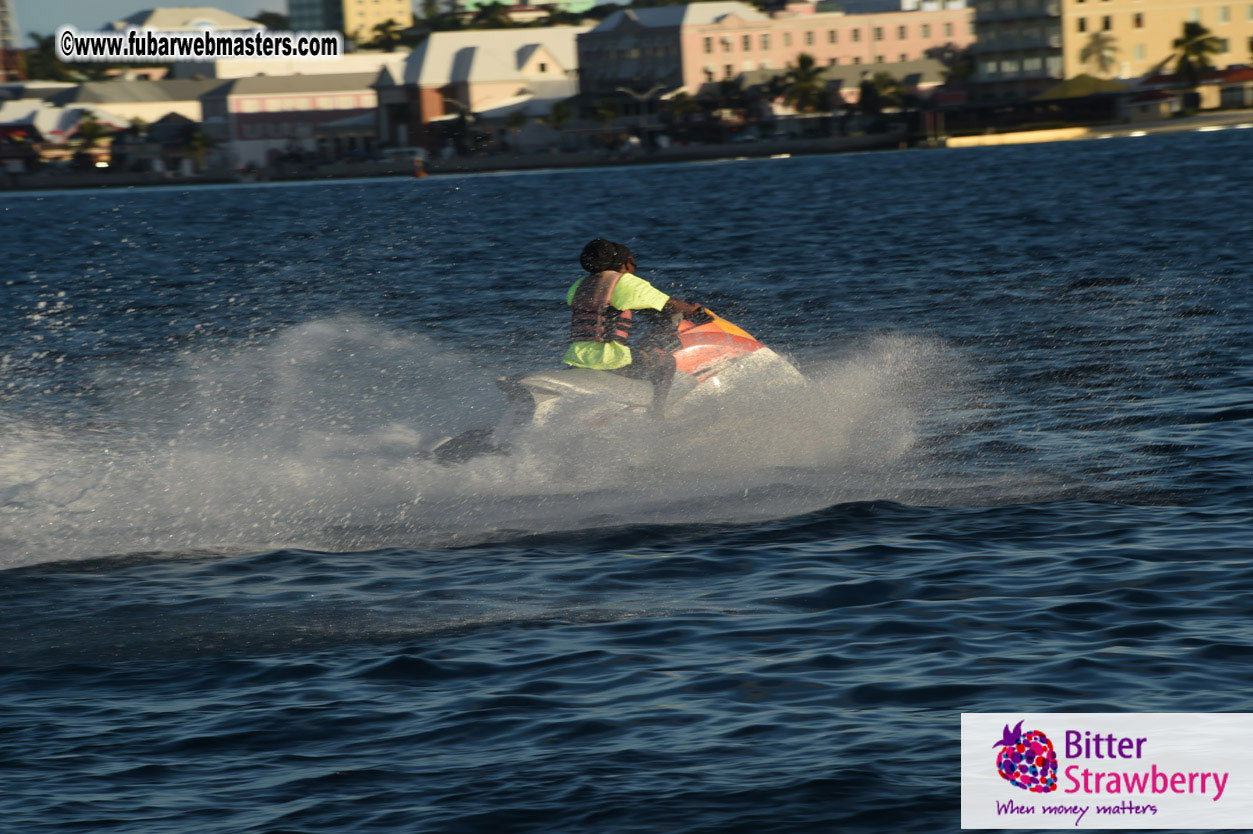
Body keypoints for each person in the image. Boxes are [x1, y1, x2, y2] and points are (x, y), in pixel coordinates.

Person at [563, 238, 704, 416]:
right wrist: (692, 309)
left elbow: (605, 308)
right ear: (624, 264)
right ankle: (657, 414)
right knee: (667, 363)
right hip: (608, 360)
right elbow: (671, 304)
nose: (634, 268)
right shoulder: (625, 282)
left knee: (635, 351)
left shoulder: (579, 285)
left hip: (575, 357)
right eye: (633, 263)